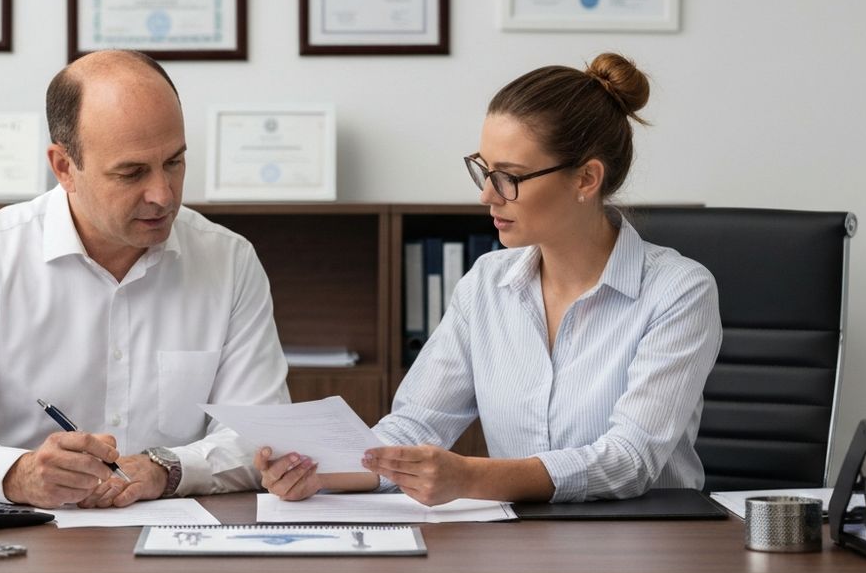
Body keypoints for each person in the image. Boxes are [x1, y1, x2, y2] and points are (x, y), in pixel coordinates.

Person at [256, 53, 722, 505]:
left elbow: (630, 460)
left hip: (651, 544)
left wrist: (472, 476)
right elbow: (416, 425)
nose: (486, 194)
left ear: (586, 179)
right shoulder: (486, 284)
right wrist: (322, 473)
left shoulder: (678, 291)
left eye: (508, 177)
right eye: (483, 169)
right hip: (522, 543)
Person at [0, 50, 290, 509]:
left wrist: (164, 468)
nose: (162, 194)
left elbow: (262, 437)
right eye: (131, 172)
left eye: (174, 162)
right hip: (24, 544)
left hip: (178, 543)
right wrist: (17, 474)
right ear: (63, 167)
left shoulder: (229, 261)